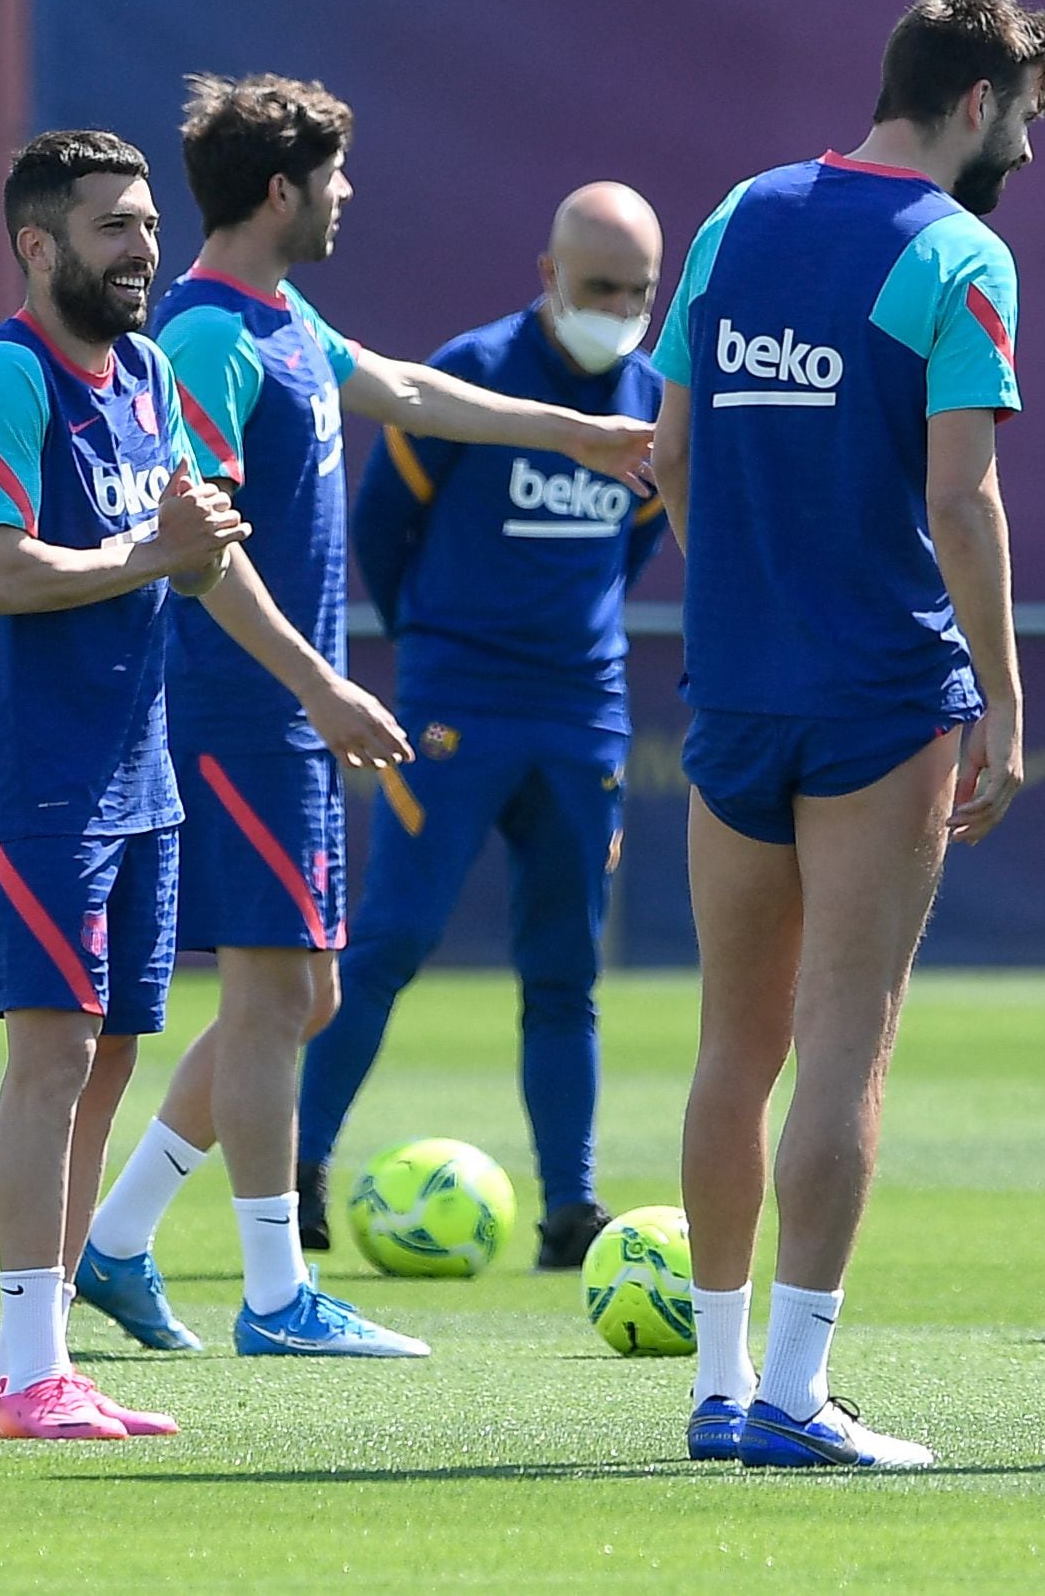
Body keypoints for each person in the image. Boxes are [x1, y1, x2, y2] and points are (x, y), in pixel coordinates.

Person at [74, 75, 653, 1358]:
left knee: (304, 995)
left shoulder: (280, 318)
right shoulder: (213, 338)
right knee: (285, 994)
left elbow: (409, 390)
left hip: (279, 714)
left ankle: (117, 1241)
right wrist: (321, 686)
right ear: (280, 189)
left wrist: (581, 435)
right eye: (333, 174)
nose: (349, 194)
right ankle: (276, 1298)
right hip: (240, 712)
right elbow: (203, 553)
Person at [657, 0, 1045, 1469]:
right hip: (880, 697)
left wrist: (745, 604)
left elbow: (671, 453)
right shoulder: (960, 254)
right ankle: (792, 1395)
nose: (1023, 143)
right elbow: (958, 497)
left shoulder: (735, 217)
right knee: (845, 1044)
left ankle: (716, 1385)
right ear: (978, 101)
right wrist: (1004, 695)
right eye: (1024, 115)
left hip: (736, 693)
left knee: (732, 1044)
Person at [298, 181, 669, 1271]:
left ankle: (571, 1207)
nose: (619, 307)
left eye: (639, 291)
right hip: (456, 704)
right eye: (600, 286)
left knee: (565, 969)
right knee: (390, 941)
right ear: (548, 275)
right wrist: (435, 643)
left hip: (581, 715)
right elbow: (383, 525)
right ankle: (298, 1172)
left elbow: (633, 546)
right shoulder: (473, 374)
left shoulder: (652, 405)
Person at [0, 130, 243, 1438]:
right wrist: (147, 549)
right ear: (38, 244)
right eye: (113, 226)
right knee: (51, 1060)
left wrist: (317, 684)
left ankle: (47, 1356)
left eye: (145, 223)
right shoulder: (2, 377)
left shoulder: (154, 372)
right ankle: (17, 1371)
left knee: (111, 1058)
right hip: (43, 772)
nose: (141, 249)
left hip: (141, 772)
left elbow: (196, 556)